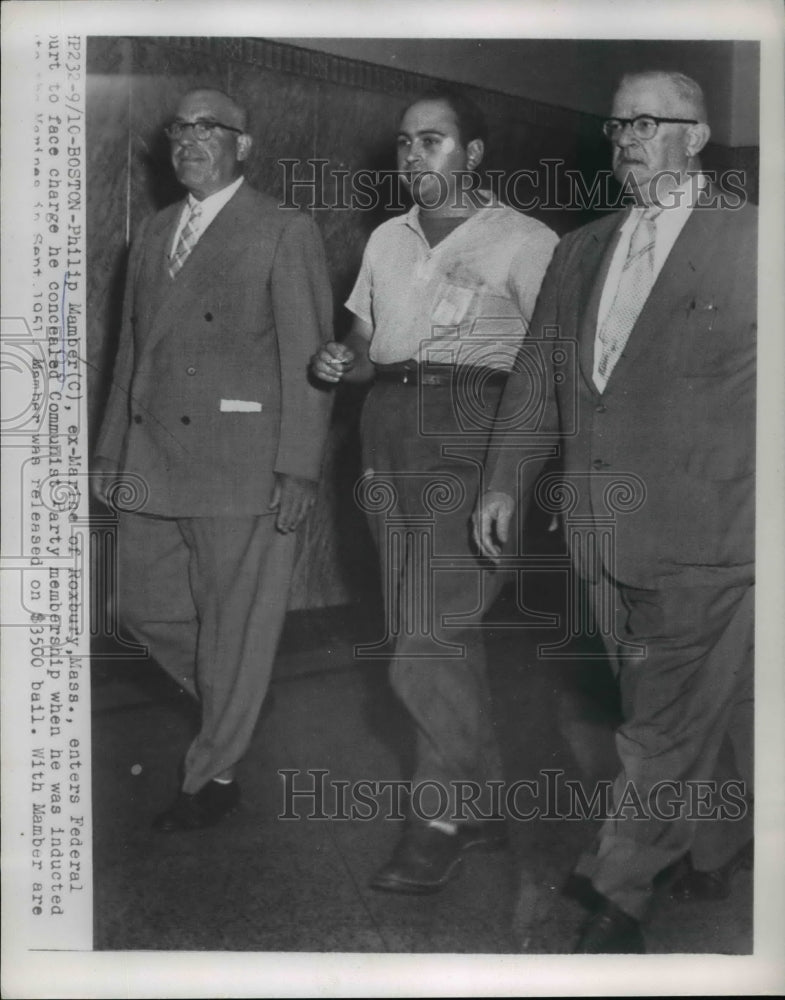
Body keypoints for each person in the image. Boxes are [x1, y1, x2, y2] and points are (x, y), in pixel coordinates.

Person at [474, 70, 756, 952]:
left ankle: (623, 889)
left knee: (658, 717)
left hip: (713, 531)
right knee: (698, 699)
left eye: (647, 122)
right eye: (616, 124)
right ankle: (717, 838)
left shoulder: (753, 240)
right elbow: (536, 381)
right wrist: (503, 481)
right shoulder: (581, 249)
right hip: (597, 529)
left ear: (697, 137)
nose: (625, 137)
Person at [311, 89, 558, 893]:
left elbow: (547, 362)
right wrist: (340, 360)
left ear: (473, 155)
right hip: (387, 426)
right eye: (405, 143)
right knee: (429, 630)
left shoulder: (525, 241)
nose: (414, 156)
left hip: (474, 424)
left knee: (424, 641)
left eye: (434, 141)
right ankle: (486, 801)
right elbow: (362, 338)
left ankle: (439, 819)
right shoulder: (385, 239)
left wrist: (512, 472)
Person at [92, 88, 333, 832]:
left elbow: (308, 355)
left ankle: (212, 775)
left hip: (243, 463)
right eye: (180, 129)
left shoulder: (282, 229)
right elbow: (130, 353)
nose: (190, 140)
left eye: (209, 128)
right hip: (155, 457)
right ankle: (234, 697)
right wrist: (109, 452)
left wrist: (298, 467)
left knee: (232, 625)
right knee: (138, 606)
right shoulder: (155, 232)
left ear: (243, 145)